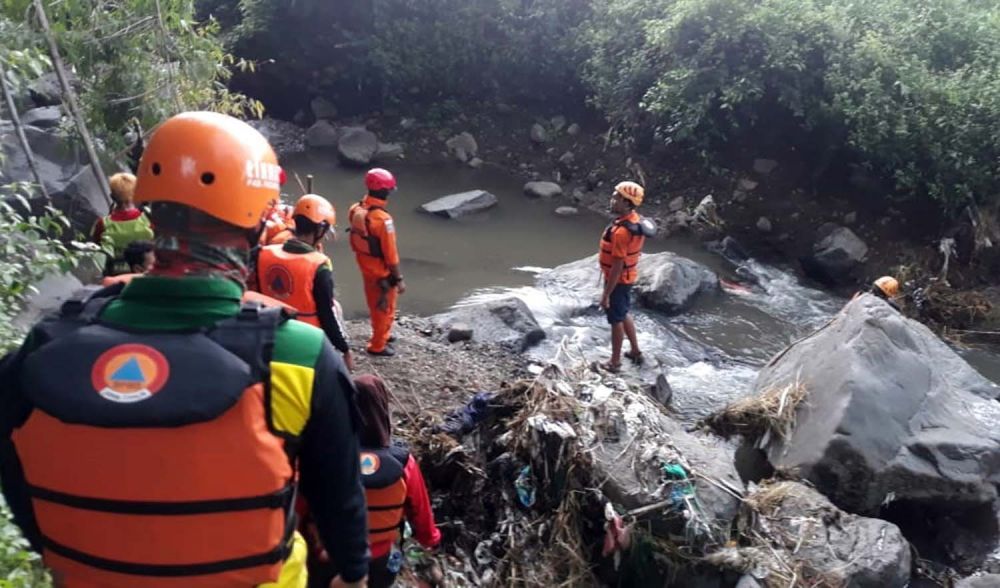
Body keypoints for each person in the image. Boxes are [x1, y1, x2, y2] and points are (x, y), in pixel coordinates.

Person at [0, 112, 368, 588]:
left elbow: (19, 485)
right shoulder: (296, 354)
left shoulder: (42, 347)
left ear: (149, 211)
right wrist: (354, 575)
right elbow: (339, 499)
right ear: (260, 222)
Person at [302, 374, 441, 588]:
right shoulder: (404, 463)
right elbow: (421, 513)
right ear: (383, 408)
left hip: (326, 555)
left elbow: (299, 506)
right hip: (379, 560)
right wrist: (431, 541)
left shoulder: (319, 454)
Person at [254, 194, 353, 371]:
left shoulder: (263, 253)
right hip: (307, 340)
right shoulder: (319, 265)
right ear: (320, 230)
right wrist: (344, 348)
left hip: (268, 333)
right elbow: (326, 315)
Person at [348, 168, 405, 357]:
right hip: (382, 272)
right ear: (384, 191)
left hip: (366, 266)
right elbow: (391, 254)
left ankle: (384, 334)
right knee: (384, 308)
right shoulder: (383, 219)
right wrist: (398, 278)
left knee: (375, 304)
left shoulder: (356, 210)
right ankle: (378, 345)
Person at [598, 181, 648, 373]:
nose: (612, 201)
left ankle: (614, 362)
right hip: (627, 278)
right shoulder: (634, 220)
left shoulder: (622, 233)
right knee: (623, 312)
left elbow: (618, 265)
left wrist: (606, 294)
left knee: (615, 320)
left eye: (616, 198)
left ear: (627, 203)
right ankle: (635, 350)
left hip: (618, 281)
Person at [91, 172, 155, 276]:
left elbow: (97, 249)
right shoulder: (148, 220)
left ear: (112, 196)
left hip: (115, 276)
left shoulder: (102, 224)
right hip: (145, 275)